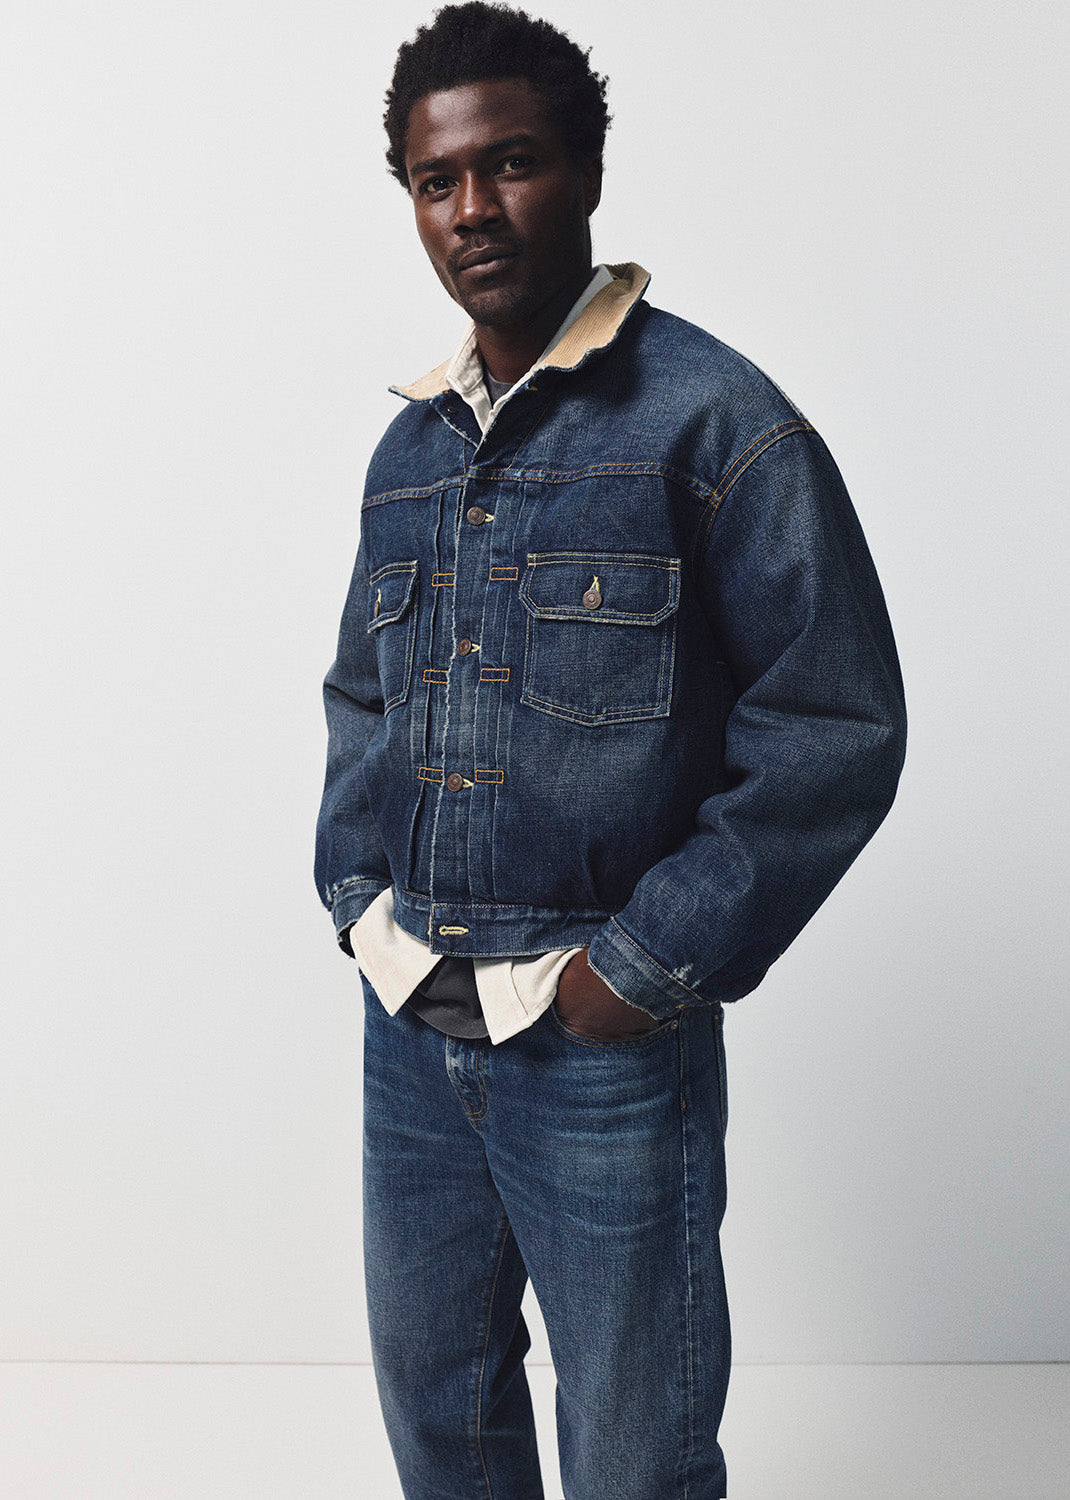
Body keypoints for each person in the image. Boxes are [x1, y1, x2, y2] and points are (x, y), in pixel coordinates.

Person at [314, 4, 907, 1495]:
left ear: (580, 171)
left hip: (598, 1039)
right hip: (413, 1015)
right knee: (439, 1418)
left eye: (507, 165)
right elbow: (360, 698)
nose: (471, 211)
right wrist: (357, 903)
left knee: (635, 1447)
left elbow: (831, 724)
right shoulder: (409, 456)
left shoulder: (716, 424)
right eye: (436, 181)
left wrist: (634, 973)